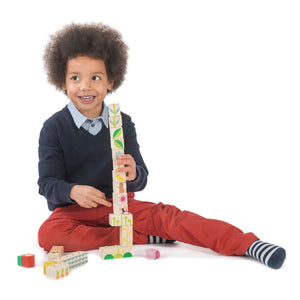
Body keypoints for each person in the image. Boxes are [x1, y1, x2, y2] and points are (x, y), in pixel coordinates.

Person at [38, 23, 286, 269]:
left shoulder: (121, 122)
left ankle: (246, 244)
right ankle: (139, 237)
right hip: (74, 213)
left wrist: (133, 172)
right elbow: (47, 183)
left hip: (122, 205)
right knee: (48, 235)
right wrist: (72, 192)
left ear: (110, 81)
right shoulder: (54, 127)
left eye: (95, 77)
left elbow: (141, 179)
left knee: (171, 217)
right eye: (75, 78)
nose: (85, 86)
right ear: (63, 82)